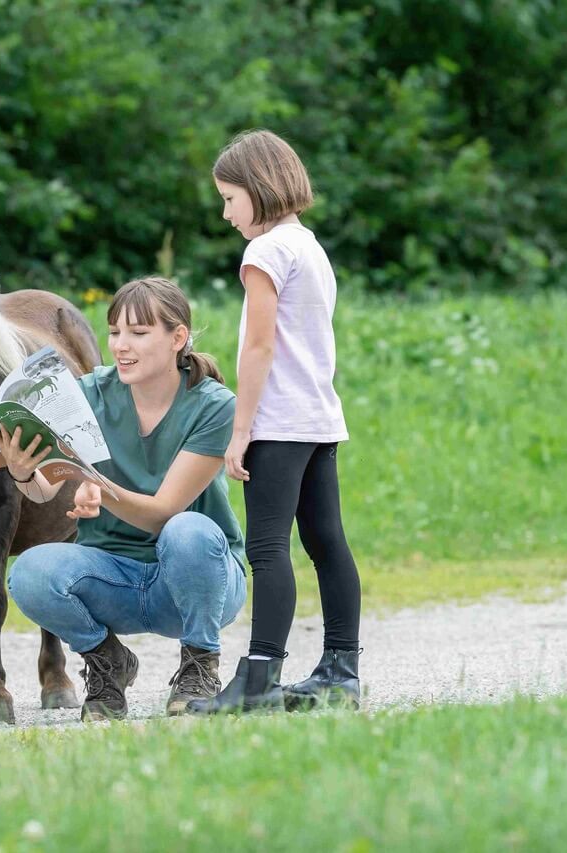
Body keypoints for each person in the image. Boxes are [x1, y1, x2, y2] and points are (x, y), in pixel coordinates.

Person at [0, 277, 247, 722]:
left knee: (188, 530)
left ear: (177, 338)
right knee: (29, 572)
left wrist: (96, 486)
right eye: (114, 332)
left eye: (138, 333)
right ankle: (107, 661)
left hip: (195, 583)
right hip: (113, 577)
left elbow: (162, 514)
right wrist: (22, 472)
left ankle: (199, 664)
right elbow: (44, 489)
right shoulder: (87, 393)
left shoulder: (214, 406)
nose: (120, 345)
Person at [189, 129, 362, 715]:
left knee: (266, 548)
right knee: (327, 542)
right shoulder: (310, 248)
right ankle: (341, 671)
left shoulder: (263, 254)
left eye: (230, 198)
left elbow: (259, 347)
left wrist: (241, 430)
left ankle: (260, 678)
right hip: (318, 419)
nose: (226, 213)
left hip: (280, 422)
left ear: (259, 188)